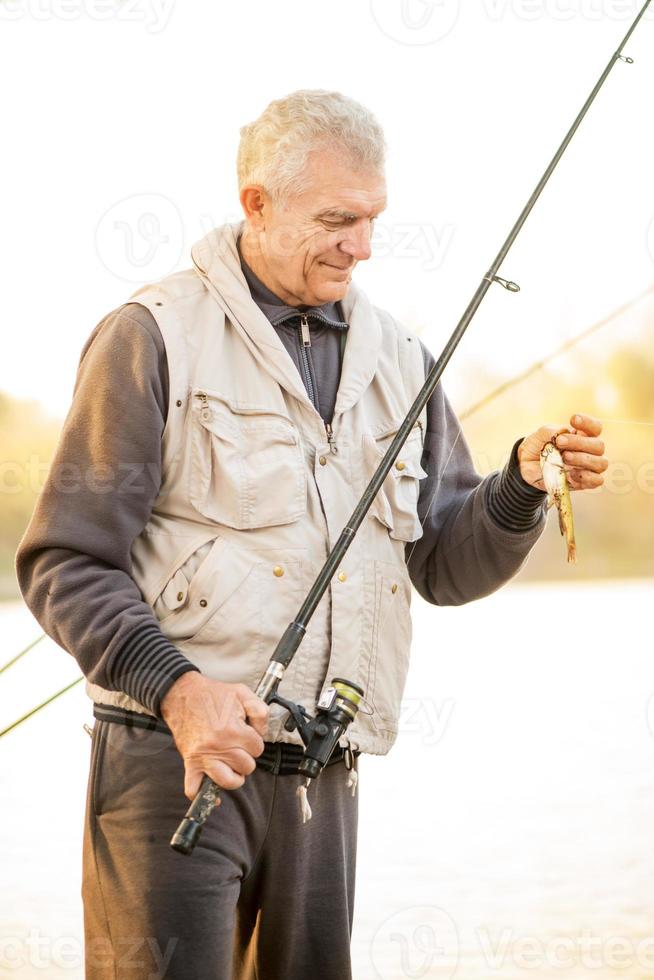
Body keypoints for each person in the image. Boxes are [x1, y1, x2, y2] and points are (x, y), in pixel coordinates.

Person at [15, 89, 608, 980]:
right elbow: (66, 561)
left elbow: (445, 565)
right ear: (255, 203)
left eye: (373, 220)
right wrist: (180, 694)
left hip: (324, 778)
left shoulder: (403, 358)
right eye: (336, 219)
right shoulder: (151, 335)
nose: (361, 246)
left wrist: (519, 485)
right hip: (166, 766)